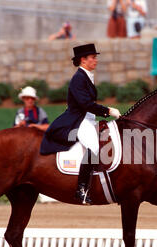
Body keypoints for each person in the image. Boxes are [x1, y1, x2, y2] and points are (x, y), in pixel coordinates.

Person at [40, 44, 121, 205]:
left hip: (89, 118)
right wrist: (108, 111)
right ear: (83, 60)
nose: (96, 60)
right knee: (95, 148)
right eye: (93, 57)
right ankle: (81, 189)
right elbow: (85, 104)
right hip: (79, 120)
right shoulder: (78, 78)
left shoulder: (87, 76)